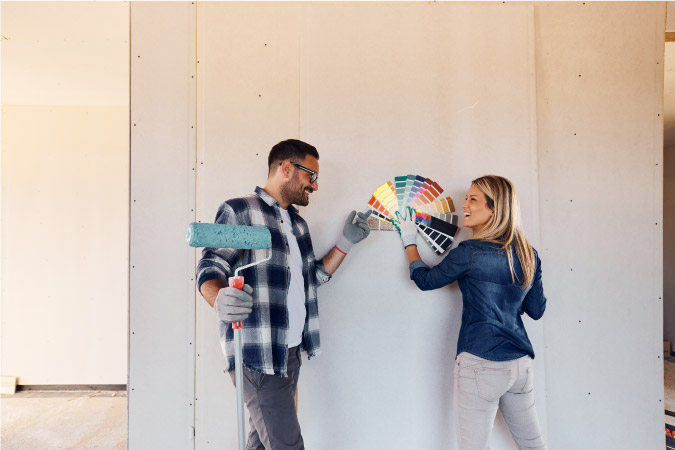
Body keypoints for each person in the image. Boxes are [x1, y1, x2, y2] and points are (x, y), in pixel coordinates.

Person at [196, 139, 371, 450]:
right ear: (287, 168)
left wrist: (345, 243)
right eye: (311, 176)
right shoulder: (241, 211)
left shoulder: (298, 225)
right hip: (259, 354)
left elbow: (310, 280)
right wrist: (217, 297)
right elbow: (211, 266)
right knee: (287, 445)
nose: (315, 186)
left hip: (289, 353)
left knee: (262, 444)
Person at [395, 175, 547, 450]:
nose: (463, 204)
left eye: (472, 199)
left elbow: (426, 280)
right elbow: (535, 311)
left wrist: (409, 242)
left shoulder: (470, 252)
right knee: (534, 447)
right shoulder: (529, 254)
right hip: (520, 366)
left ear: (494, 209)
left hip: (481, 364)